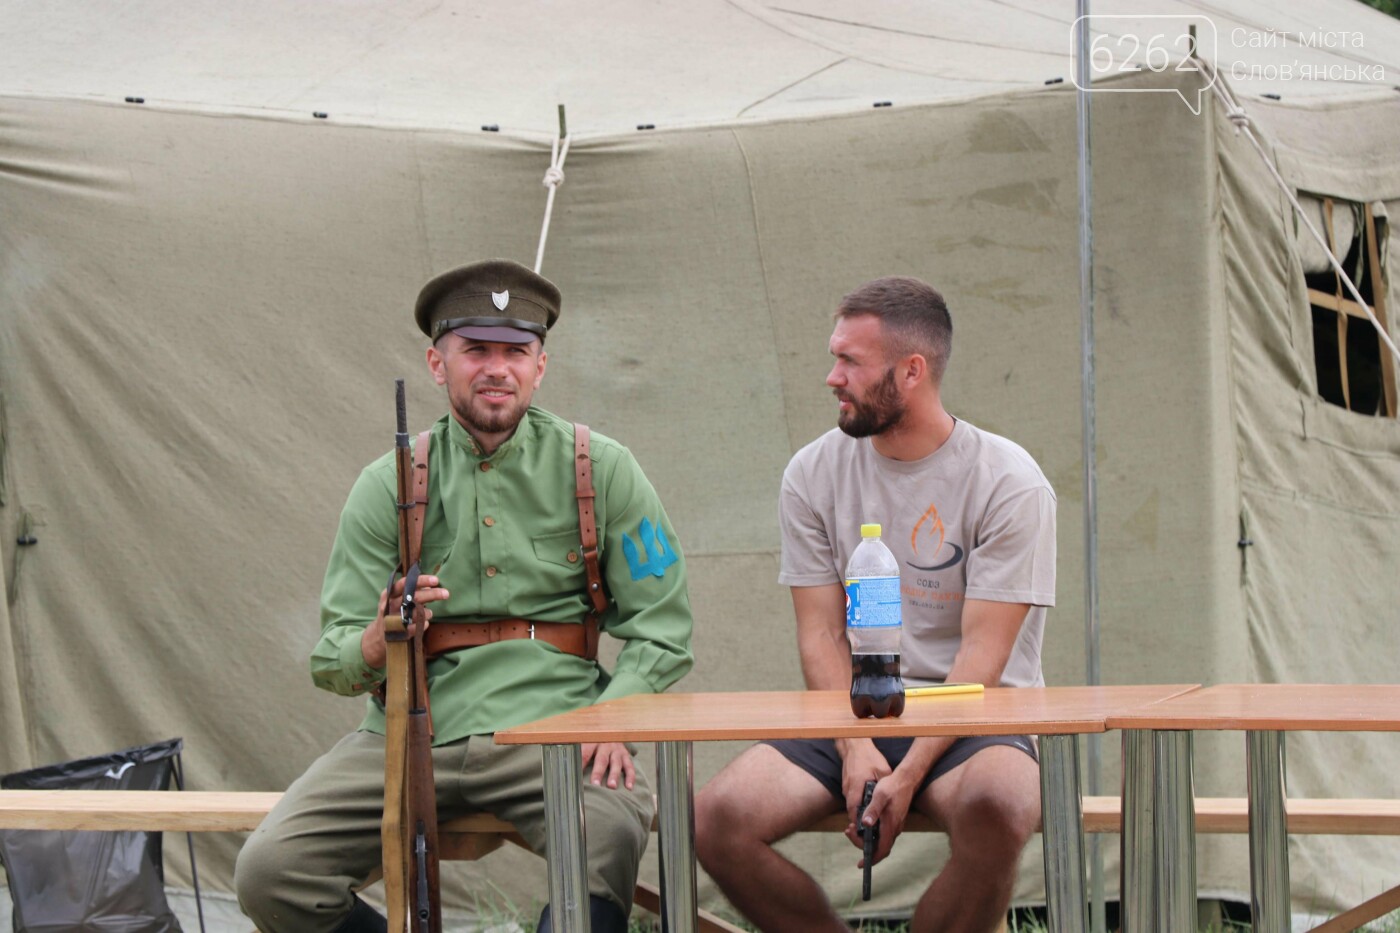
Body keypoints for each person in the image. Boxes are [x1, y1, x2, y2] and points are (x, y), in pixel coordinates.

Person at [235, 259, 694, 933]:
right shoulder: (386, 482)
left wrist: (613, 716)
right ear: (435, 362)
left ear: (542, 366)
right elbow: (331, 657)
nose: (496, 368)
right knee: (271, 872)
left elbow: (664, 625)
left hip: (558, 726)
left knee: (607, 840)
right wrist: (381, 631)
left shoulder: (602, 468)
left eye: (516, 351)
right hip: (415, 726)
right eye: (476, 349)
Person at [695, 276, 1055, 933]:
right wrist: (857, 745)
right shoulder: (811, 471)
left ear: (912, 371)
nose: (832, 377)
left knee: (1000, 806)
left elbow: (983, 659)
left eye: (850, 361)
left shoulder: (1009, 480)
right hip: (857, 706)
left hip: (975, 714)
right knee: (716, 819)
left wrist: (910, 769)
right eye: (834, 356)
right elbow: (822, 635)